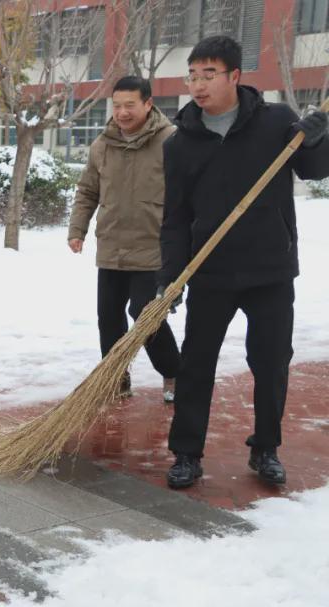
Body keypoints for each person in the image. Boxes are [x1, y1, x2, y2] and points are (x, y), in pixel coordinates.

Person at [158, 35, 329, 489]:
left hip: (269, 270)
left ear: (235, 76)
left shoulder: (275, 122)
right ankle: (187, 453)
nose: (198, 84)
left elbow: (315, 170)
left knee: (272, 362)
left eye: (209, 74)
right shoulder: (180, 144)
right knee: (196, 364)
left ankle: (266, 448)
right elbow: (175, 219)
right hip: (210, 272)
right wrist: (169, 277)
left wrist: (317, 139)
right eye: (192, 75)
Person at [68, 75, 181, 402]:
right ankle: (115, 377)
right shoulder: (102, 144)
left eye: (129, 105)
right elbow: (87, 190)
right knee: (109, 317)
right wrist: (78, 229)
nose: (122, 112)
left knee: (145, 315)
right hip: (112, 244)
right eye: (117, 106)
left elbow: (187, 194)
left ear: (148, 104)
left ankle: (173, 371)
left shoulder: (171, 141)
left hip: (153, 246)